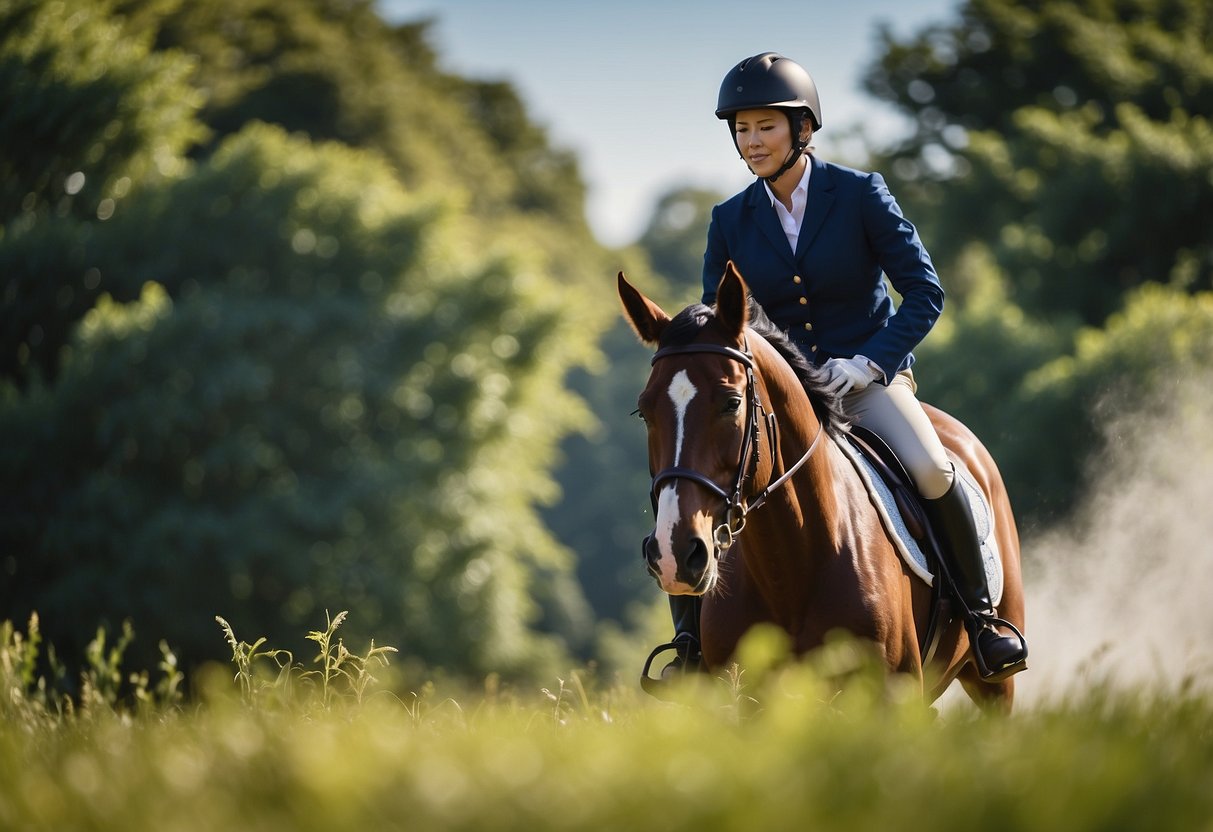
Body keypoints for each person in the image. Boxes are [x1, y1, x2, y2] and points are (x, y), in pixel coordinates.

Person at [654, 52, 1027, 685]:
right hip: (778, 400)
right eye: (742, 129)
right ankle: (691, 644)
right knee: (695, 482)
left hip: (866, 384)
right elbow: (726, 327)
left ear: (802, 128)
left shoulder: (859, 195)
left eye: (765, 126)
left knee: (935, 469)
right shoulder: (729, 220)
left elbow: (924, 291)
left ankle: (981, 618)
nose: (752, 141)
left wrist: (871, 363)